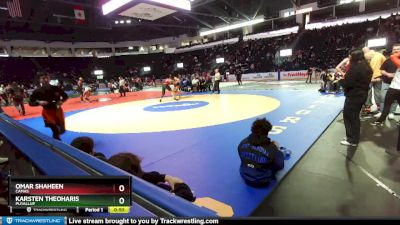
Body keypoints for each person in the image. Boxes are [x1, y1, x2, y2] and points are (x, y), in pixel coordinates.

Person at [108, 152, 196, 202]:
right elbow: (186, 199)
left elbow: (144, 176)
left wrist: (166, 177)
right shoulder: (153, 194)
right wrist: (180, 184)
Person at [237, 118, 284, 186]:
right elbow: (280, 165)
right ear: (267, 132)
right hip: (262, 180)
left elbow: (242, 158)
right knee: (277, 157)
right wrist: (277, 149)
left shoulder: (242, 143)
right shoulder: (272, 148)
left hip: (245, 175)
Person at [339, 50, 373, 146]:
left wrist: (339, 81)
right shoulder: (366, 66)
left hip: (354, 96)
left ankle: (352, 140)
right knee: (354, 117)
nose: (349, 58)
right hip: (361, 95)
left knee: (350, 117)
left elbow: (348, 83)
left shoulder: (356, 68)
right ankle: (352, 137)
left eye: (350, 56)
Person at [29, 73, 69, 140]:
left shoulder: (56, 88)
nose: (45, 79)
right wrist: (39, 102)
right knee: (55, 130)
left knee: (61, 130)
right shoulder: (37, 91)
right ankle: (57, 144)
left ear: (49, 79)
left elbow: (65, 96)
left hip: (58, 111)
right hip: (47, 113)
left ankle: (57, 139)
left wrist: (61, 101)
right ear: (40, 80)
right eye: (43, 78)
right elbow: (30, 103)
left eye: (47, 78)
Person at [372, 49, 400, 126]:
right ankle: (380, 120)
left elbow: (393, 56)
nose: (396, 51)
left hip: (394, 87)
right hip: (394, 86)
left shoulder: (397, 60)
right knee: (385, 102)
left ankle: (380, 121)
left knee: (387, 105)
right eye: (395, 49)